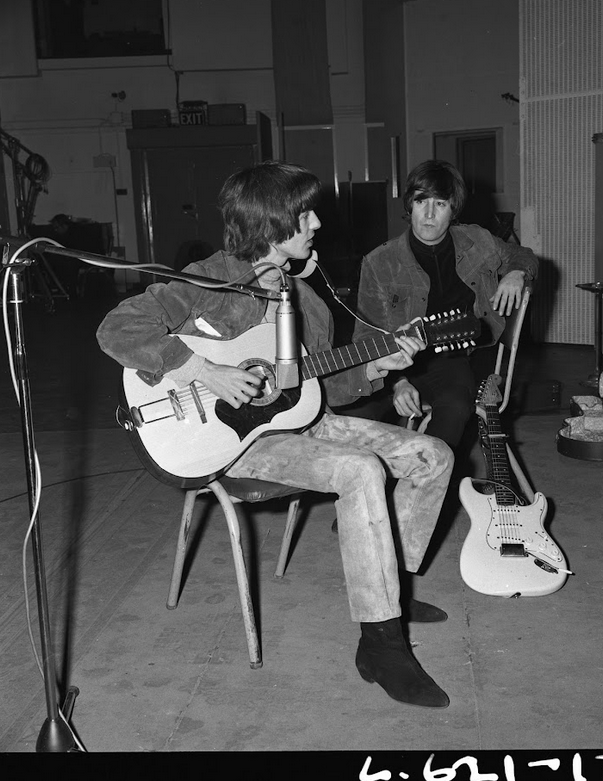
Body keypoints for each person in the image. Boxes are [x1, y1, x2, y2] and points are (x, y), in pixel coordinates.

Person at [96, 160, 454, 709]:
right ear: (271, 222)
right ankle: (382, 647)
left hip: (302, 420)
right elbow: (116, 328)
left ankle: (389, 594)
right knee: (359, 470)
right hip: (238, 441)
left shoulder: (305, 297)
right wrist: (202, 369)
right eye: (303, 213)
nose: (315, 223)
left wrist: (379, 366)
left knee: (433, 455)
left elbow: (322, 391)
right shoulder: (208, 278)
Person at [345, 159, 538, 453]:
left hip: (455, 359)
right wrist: (400, 381)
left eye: (441, 204)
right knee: (353, 419)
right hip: (396, 363)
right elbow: (366, 336)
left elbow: (522, 255)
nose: (430, 214)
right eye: (422, 201)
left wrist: (516, 272)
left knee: (454, 406)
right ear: (410, 204)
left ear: (453, 210)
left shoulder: (478, 241)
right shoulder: (379, 262)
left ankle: (426, 479)